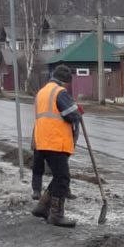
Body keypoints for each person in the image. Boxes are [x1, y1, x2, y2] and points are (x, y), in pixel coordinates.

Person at [31, 64, 84, 228]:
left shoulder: (42, 92)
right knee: (63, 178)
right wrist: (77, 112)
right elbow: (71, 114)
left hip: (42, 140)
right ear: (65, 80)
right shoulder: (59, 92)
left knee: (58, 176)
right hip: (55, 141)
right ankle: (56, 215)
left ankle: (42, 206)